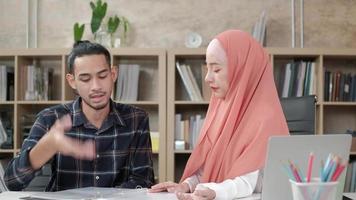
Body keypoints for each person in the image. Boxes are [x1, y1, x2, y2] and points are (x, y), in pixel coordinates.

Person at [149, 30, 289, 199]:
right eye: (207, 68)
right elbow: (209, 167)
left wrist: (214, 191)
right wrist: (187, 185)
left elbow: (246, 182)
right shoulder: (222, 109)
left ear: (242, 71)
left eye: (216, 69)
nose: (207, 78)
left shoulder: (267, 118)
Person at [4, 41, 154, 191]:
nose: (96, 86)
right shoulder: (50, 118)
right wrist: (48, 145)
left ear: (113, 75)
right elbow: (12, 182)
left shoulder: (137, 119)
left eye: (102, 76)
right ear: (72, 81)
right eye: (85, 79)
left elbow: (143, 181)